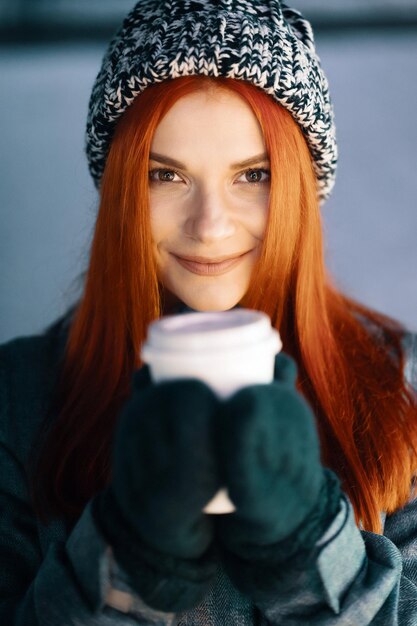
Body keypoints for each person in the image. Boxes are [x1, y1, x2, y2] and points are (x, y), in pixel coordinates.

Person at [1, 0, 417, 623]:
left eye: (252, 175)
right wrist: (132, 553)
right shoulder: (18, 397)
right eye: (164, 176)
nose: (209, 225)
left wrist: (307, 547)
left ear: (301, 186)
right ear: (119, 188)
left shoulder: (401, 381)